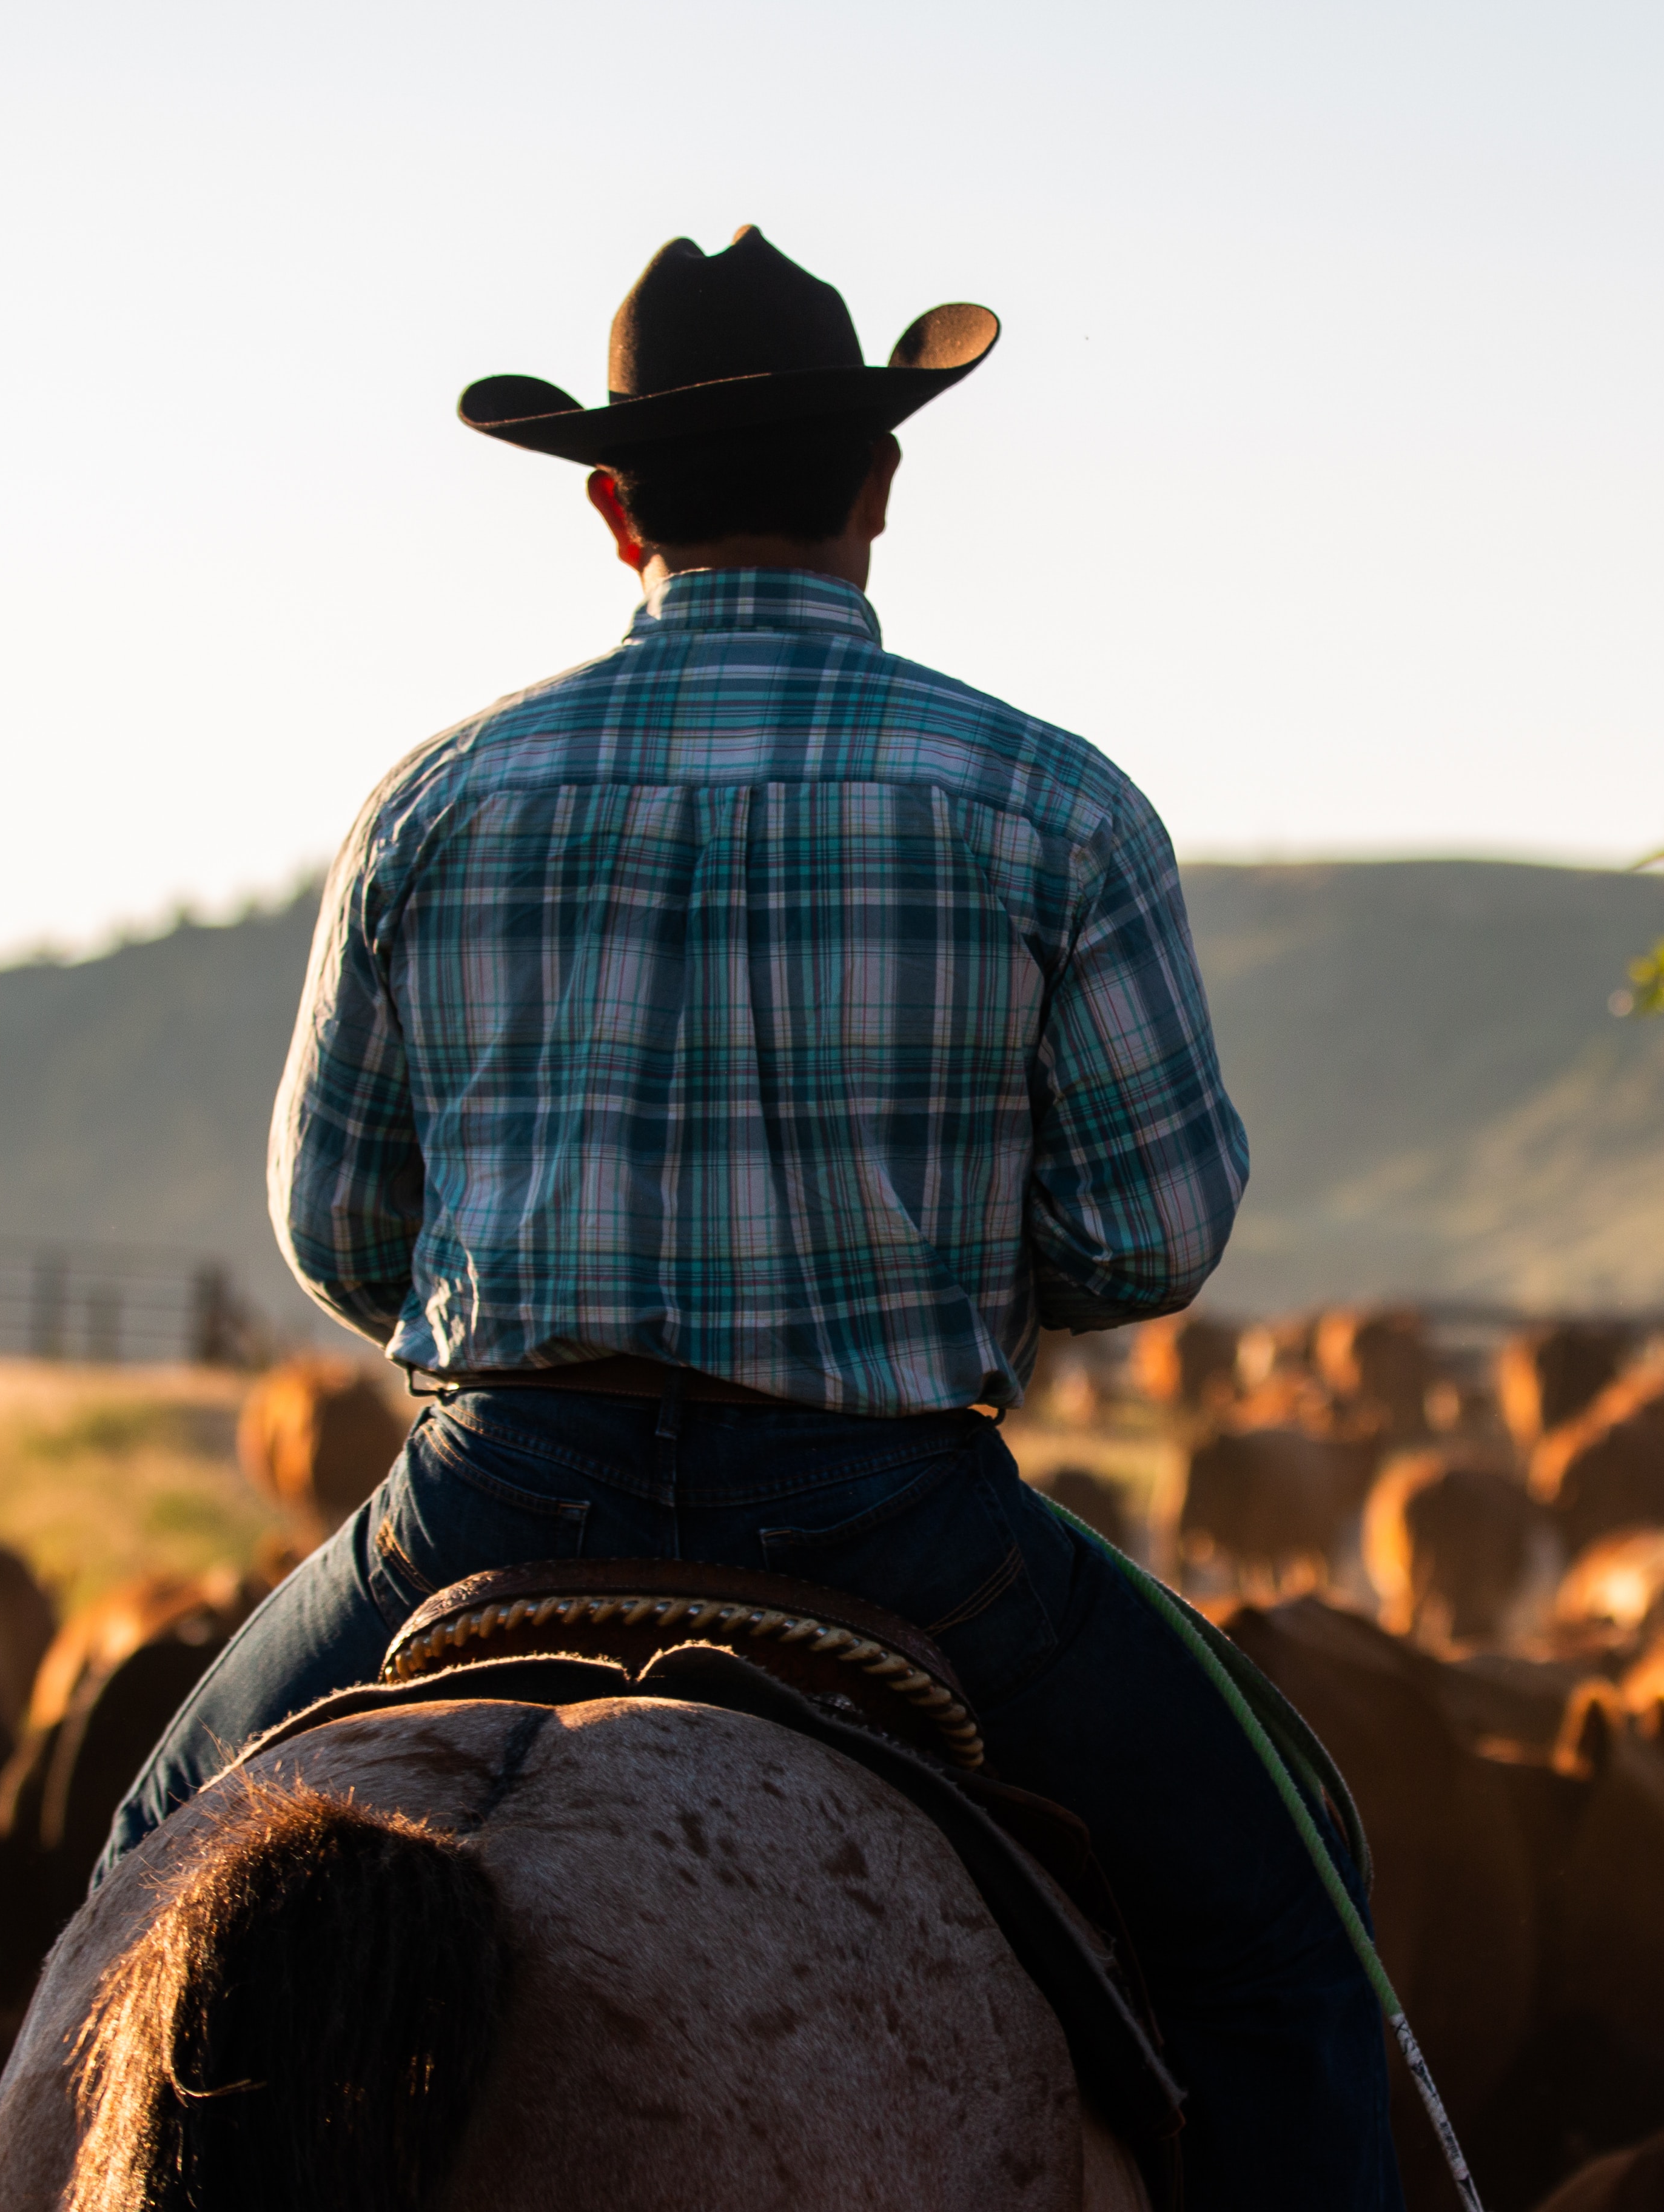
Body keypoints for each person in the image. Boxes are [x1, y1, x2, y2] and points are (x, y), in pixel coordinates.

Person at [101, 227, 1402, 2205]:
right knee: (1283, 1931)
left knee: (130, 1893)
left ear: (613, 507)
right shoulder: (1048, 803)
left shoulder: (436, 804)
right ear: (880, 486)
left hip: (498, 1492)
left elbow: (340, 1232)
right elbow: (1154, 1242)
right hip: (904, 1525)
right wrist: (946, 1268)